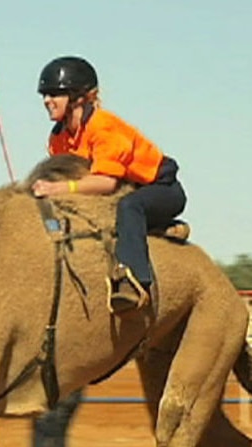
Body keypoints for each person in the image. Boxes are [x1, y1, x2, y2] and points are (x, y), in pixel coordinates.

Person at [30, 55, 187, 314]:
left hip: (160, 188)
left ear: (78, 97)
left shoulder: (104, 127)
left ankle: (134, 282)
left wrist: (58, 188)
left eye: (54, 94)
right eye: (44, 95)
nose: (47, 100)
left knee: (129, 206)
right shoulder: (58, 137)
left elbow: (105, 182)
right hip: (121, 190)